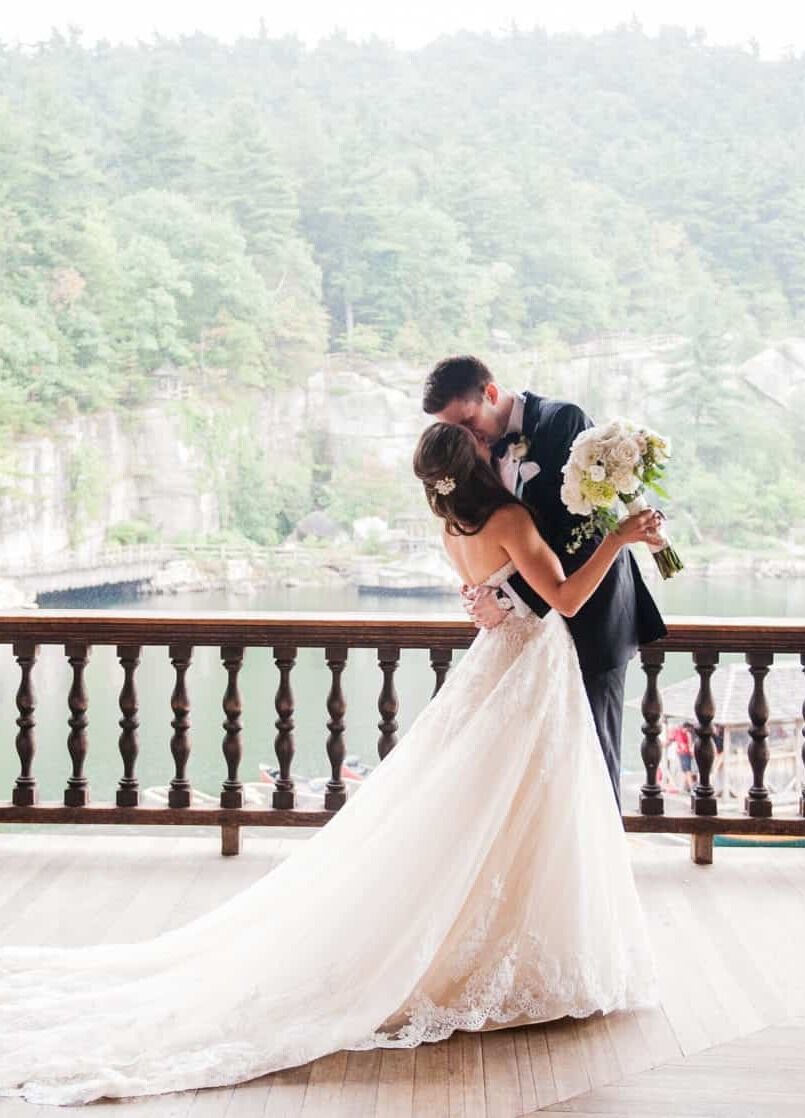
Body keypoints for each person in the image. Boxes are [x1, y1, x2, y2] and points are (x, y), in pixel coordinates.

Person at [0, 425, 661, 1107]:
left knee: (485, 815)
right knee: (525, 814)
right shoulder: (509, 517)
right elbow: (566, 600)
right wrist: (618, 538)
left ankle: (488, 951)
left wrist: (498, 598)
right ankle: (503, 957)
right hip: (526, 676)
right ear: (480, 463)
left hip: (500, 671)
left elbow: (499, 596)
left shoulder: (456, 531)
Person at [423, 355, 668, 808]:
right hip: (529, 642)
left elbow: (575, 533)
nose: (468, 436)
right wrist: (484, 586)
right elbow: (498, 536)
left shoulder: (562, 422)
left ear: (491, 394)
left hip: (590, 618)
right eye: (454, 431)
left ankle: (597, 874)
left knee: (592, 764)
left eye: (468, 421)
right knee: (534, 777)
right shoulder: (476, 458)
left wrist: (505, 596)